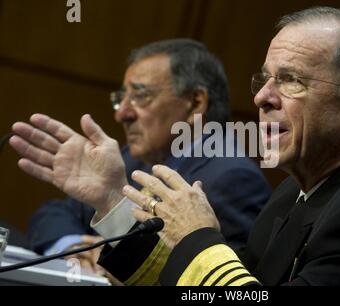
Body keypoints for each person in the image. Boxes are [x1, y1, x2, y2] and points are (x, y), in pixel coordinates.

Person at [112, 7, 340, 285]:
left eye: (291, 80)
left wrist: (197, 238)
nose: (261, 97)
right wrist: (107, 197)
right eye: (265, 79)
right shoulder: (296, 190)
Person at [16, 39, 271, 274]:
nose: (122, 114)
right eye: (121, 99)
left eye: (140, 96)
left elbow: (213, 281)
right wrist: (74, 249)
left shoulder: (233, 180)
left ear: (195, 103)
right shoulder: (132, 158)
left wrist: (109, 254)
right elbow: (53, 213)